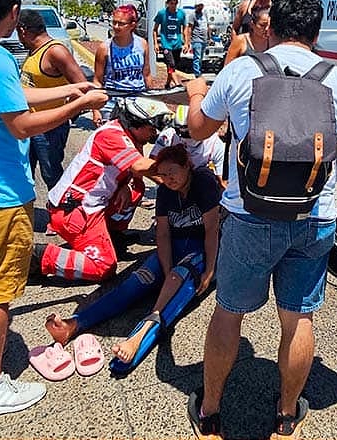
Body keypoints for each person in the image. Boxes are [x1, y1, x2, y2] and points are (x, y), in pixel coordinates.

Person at [184, 0, 337, 439]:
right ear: (315, 30)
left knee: (230, 313)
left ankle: (211, 411)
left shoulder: (240, 71)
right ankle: (287, 413)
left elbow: (198, 129)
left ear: (270, 26)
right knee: (298, 317)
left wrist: (196, 93)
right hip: (314, 217)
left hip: (248, 216)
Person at [0, 0, 108, 420]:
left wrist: (71, 90)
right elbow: (21, 124)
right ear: (13, 11)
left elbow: (10, 99)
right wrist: (77, 107)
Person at [44, 145, 220, 363]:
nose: (168, 179)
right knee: (135, 283)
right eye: (162, 175)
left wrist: (210, 269)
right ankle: (75, 323)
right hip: (174, 244)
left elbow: (212, 229)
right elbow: (163, 234)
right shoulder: (166, 191)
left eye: (172, 172)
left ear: (187, 166)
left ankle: (139, 337)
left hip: (200, 248)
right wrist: (165, 270)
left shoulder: (203, 182)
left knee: (177, 284)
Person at [32, 96, 173, 283]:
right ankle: (36, 257)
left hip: (91, 204)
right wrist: (179, 174)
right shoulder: (111, 135)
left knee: (135, 188)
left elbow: (135, 171)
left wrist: (126, 184)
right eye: (151, 128)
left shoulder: (129, 135)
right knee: (103, 267)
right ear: (136, 124)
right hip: (75, 211)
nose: (153, 133)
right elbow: (140, 166)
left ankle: (112, 235)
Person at [18, 9, 89, 192]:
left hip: (50, 128)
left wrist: (70, 112)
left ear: (23, 30)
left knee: (52, 174)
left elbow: (82, 85)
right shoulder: (34, 51)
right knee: (25, 172)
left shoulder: (55, 51)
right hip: (31, 124)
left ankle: (62, 216)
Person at [93, 4, 153, 126]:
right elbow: (97, 81)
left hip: (137, 102)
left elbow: (146, 75)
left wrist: (152, 102)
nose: (116, 26)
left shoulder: (142, 44)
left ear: (132, 25)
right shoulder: (105, 48)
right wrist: (95, 110)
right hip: (112, 104)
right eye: (114, 22)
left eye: (121, 24)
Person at [150, 104, 226, 188]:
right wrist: (170, 185)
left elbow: (223, 181)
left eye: (189, 133)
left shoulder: (215, 143)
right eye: (180, 132)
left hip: (200, 187)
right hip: (172, 187)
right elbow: (151, 166)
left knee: (205, 174)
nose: (185, 137)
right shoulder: (168, 136)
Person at [153, 0, 187, 90]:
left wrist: (187, 43)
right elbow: (155, 29)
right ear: (168, 3)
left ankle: (167, 84)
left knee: (172, 67)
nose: (174, 6)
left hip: (177, 44)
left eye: (175, 3)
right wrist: (156, 43)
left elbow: (185, 28)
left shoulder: (181, 14)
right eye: (172, 3)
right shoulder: (161, 13)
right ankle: (177, 84)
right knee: (171, 64)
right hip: (166, 44)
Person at [186, 1, 211, 78]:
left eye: (201, 5)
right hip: (196, 39)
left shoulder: (205, 14)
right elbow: (190, 28)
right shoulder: (193, 15)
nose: (200, 7)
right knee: (197, 57)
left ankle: (199, 70)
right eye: (199, 5)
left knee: (201, 57)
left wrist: (209, 37)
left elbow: (207, 26)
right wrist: (188, 40)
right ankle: (197, 73)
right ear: (196, 6)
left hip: (204, 39)